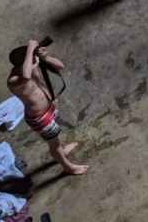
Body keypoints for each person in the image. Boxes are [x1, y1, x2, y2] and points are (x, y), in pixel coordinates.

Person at [7, 40, 89, 175]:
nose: (36, 62)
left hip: (50, 107)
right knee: (54, 145)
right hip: (39, 117)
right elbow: (27, 77)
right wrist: (30, 49)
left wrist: (45, 57)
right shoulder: (13, 80)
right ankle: (67, 167)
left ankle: (60, 152)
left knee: (55, 138)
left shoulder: (33, 63)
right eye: (32, 59)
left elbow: (60, 66)